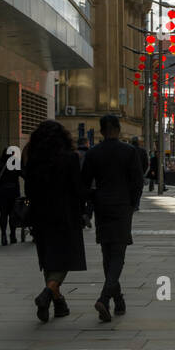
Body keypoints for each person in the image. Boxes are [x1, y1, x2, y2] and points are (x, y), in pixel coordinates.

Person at [23, 119, 87, 323]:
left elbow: (29, 190)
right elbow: (77, 189)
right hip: (65, 214)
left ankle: (58, 303)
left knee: (48, 258)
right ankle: (48, 293)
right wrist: (84, 212)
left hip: (40, 215)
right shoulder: (70, 159)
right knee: (65, 258)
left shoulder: (33, 160)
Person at [81, 115, 143, 322]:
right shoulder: (129, 151)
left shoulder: (93, 153)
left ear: (101, 131)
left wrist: (94, 200)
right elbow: (137, 181)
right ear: (117, 129)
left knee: (107, 252)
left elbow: (84, 184)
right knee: (118, 254)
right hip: (122, 206)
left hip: (102, 207)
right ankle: (105, 297)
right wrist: (132, 203)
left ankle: (118, 300)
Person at [0, 149, 24, 246]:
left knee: (3, 214)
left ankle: (3, 235)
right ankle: (13, 235)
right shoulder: (14, 164)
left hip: (1, 193)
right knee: (12, 215)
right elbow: (23, 175)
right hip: (13, 193)